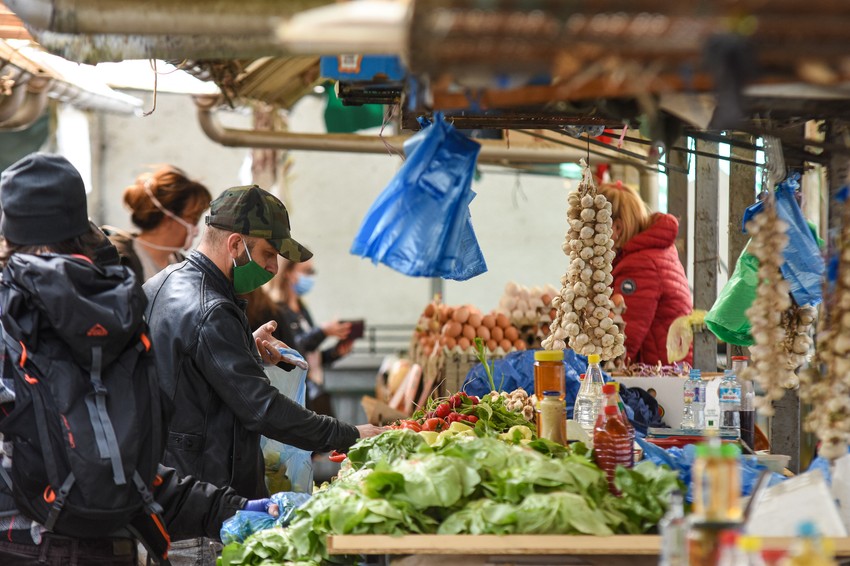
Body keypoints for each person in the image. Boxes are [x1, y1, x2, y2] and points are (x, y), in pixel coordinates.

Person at [0, 154, 277, 566]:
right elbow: (126, 469)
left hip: (21, 544)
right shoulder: (117, 310)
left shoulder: (14, 313)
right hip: (114, 547)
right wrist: (228, 507)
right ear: (80, 227)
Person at [143, 184, 383, 564]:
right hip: (206, 515)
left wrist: (242, 348)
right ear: (236, 245)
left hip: (170, 496)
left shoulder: (162, 284)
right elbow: (262, 410)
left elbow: (181, 368)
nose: (274, 268)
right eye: (269, 254)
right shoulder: (211, 309)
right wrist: (351, 434)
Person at [596, 181, 693, 365]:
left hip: (656, 381)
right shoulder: (656, 252)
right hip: (670, 373)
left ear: (617, 227)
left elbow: (622, 345)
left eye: (597, 229)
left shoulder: (640, 266)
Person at [270, 258, 353, 416]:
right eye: (306, 271)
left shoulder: (302, 310)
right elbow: (291, 350)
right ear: (288, 273)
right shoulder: (277, 311)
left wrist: (335, 352)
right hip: (295, 396)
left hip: (316, 389)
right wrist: (323, 331)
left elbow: (310, 356)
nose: (311, 277)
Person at [106, 165, 212, 282]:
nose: (195, 228)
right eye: (192, 218)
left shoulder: (181, 263)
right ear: (168, 217)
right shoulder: (119, 260)